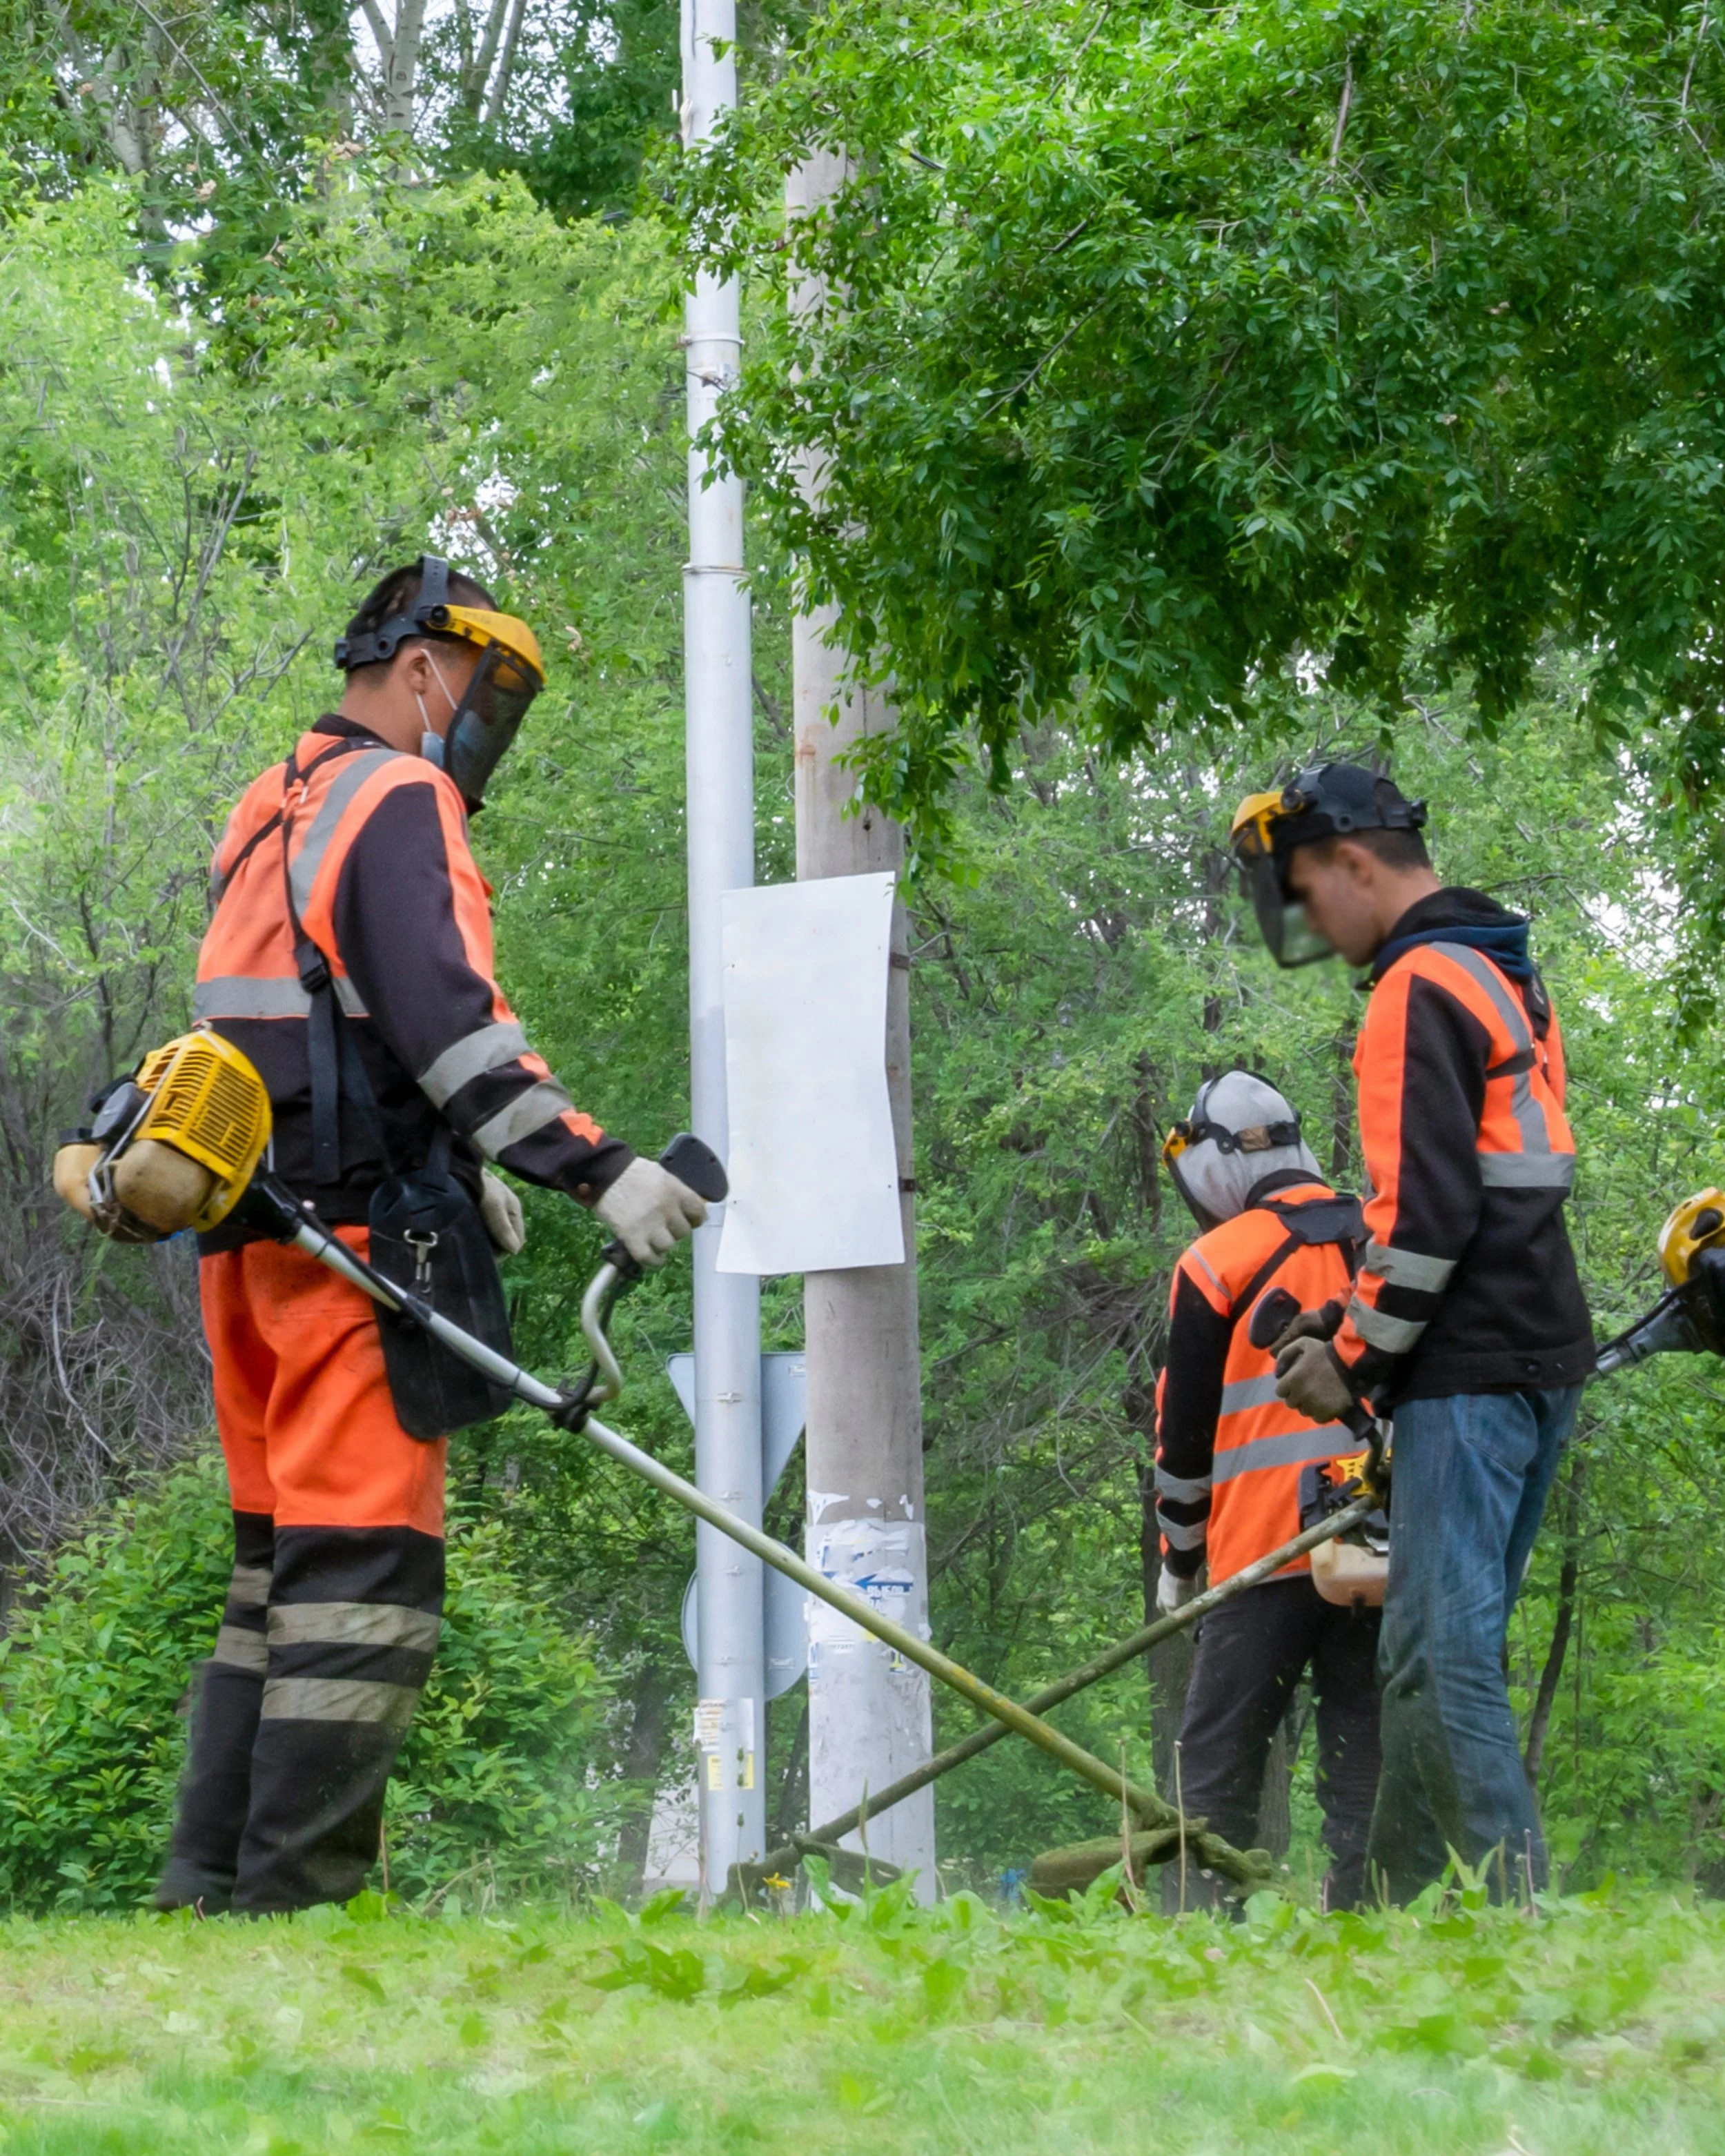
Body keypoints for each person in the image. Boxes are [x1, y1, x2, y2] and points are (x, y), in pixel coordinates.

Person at [155, 557, 709, 1917]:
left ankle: (205, 1889)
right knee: (361, 1578)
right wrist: (597, 1168)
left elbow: (317, 1013)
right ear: (417, 671)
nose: (478, 732)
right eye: (477, 693)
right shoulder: (396, 796)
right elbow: (452, 1019)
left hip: (245, 1243)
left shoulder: (272, 797)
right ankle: (293, 1906)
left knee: (274, 1578)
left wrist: (457, 1150)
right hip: (348, 1255)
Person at [1230, 763, 1593, 1901]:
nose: (1306, 923)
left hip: (1473, 1370)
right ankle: (1385, 1916)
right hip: (1532, 1341)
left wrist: (1349, 1356)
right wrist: (1357, 1313)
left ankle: (1517, 1920)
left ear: (1355, 862)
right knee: (1417, 1659)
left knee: (1437, 1658)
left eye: (1305, 891)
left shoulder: (1412, 990)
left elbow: (1428, 1215)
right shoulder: (1499, 973)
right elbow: (1482, 1199)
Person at [1154, 1070, 1383, 1911]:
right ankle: (1374, 1921)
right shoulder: (1382, 1235)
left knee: (1214, 1772)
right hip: (1378, 1544)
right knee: (1367, 1766)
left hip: (1261, 1557)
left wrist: (1179, 1560)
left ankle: (1201, 1927)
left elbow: (1181, 1447)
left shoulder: (1216, 1259)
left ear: (1216, 1160)